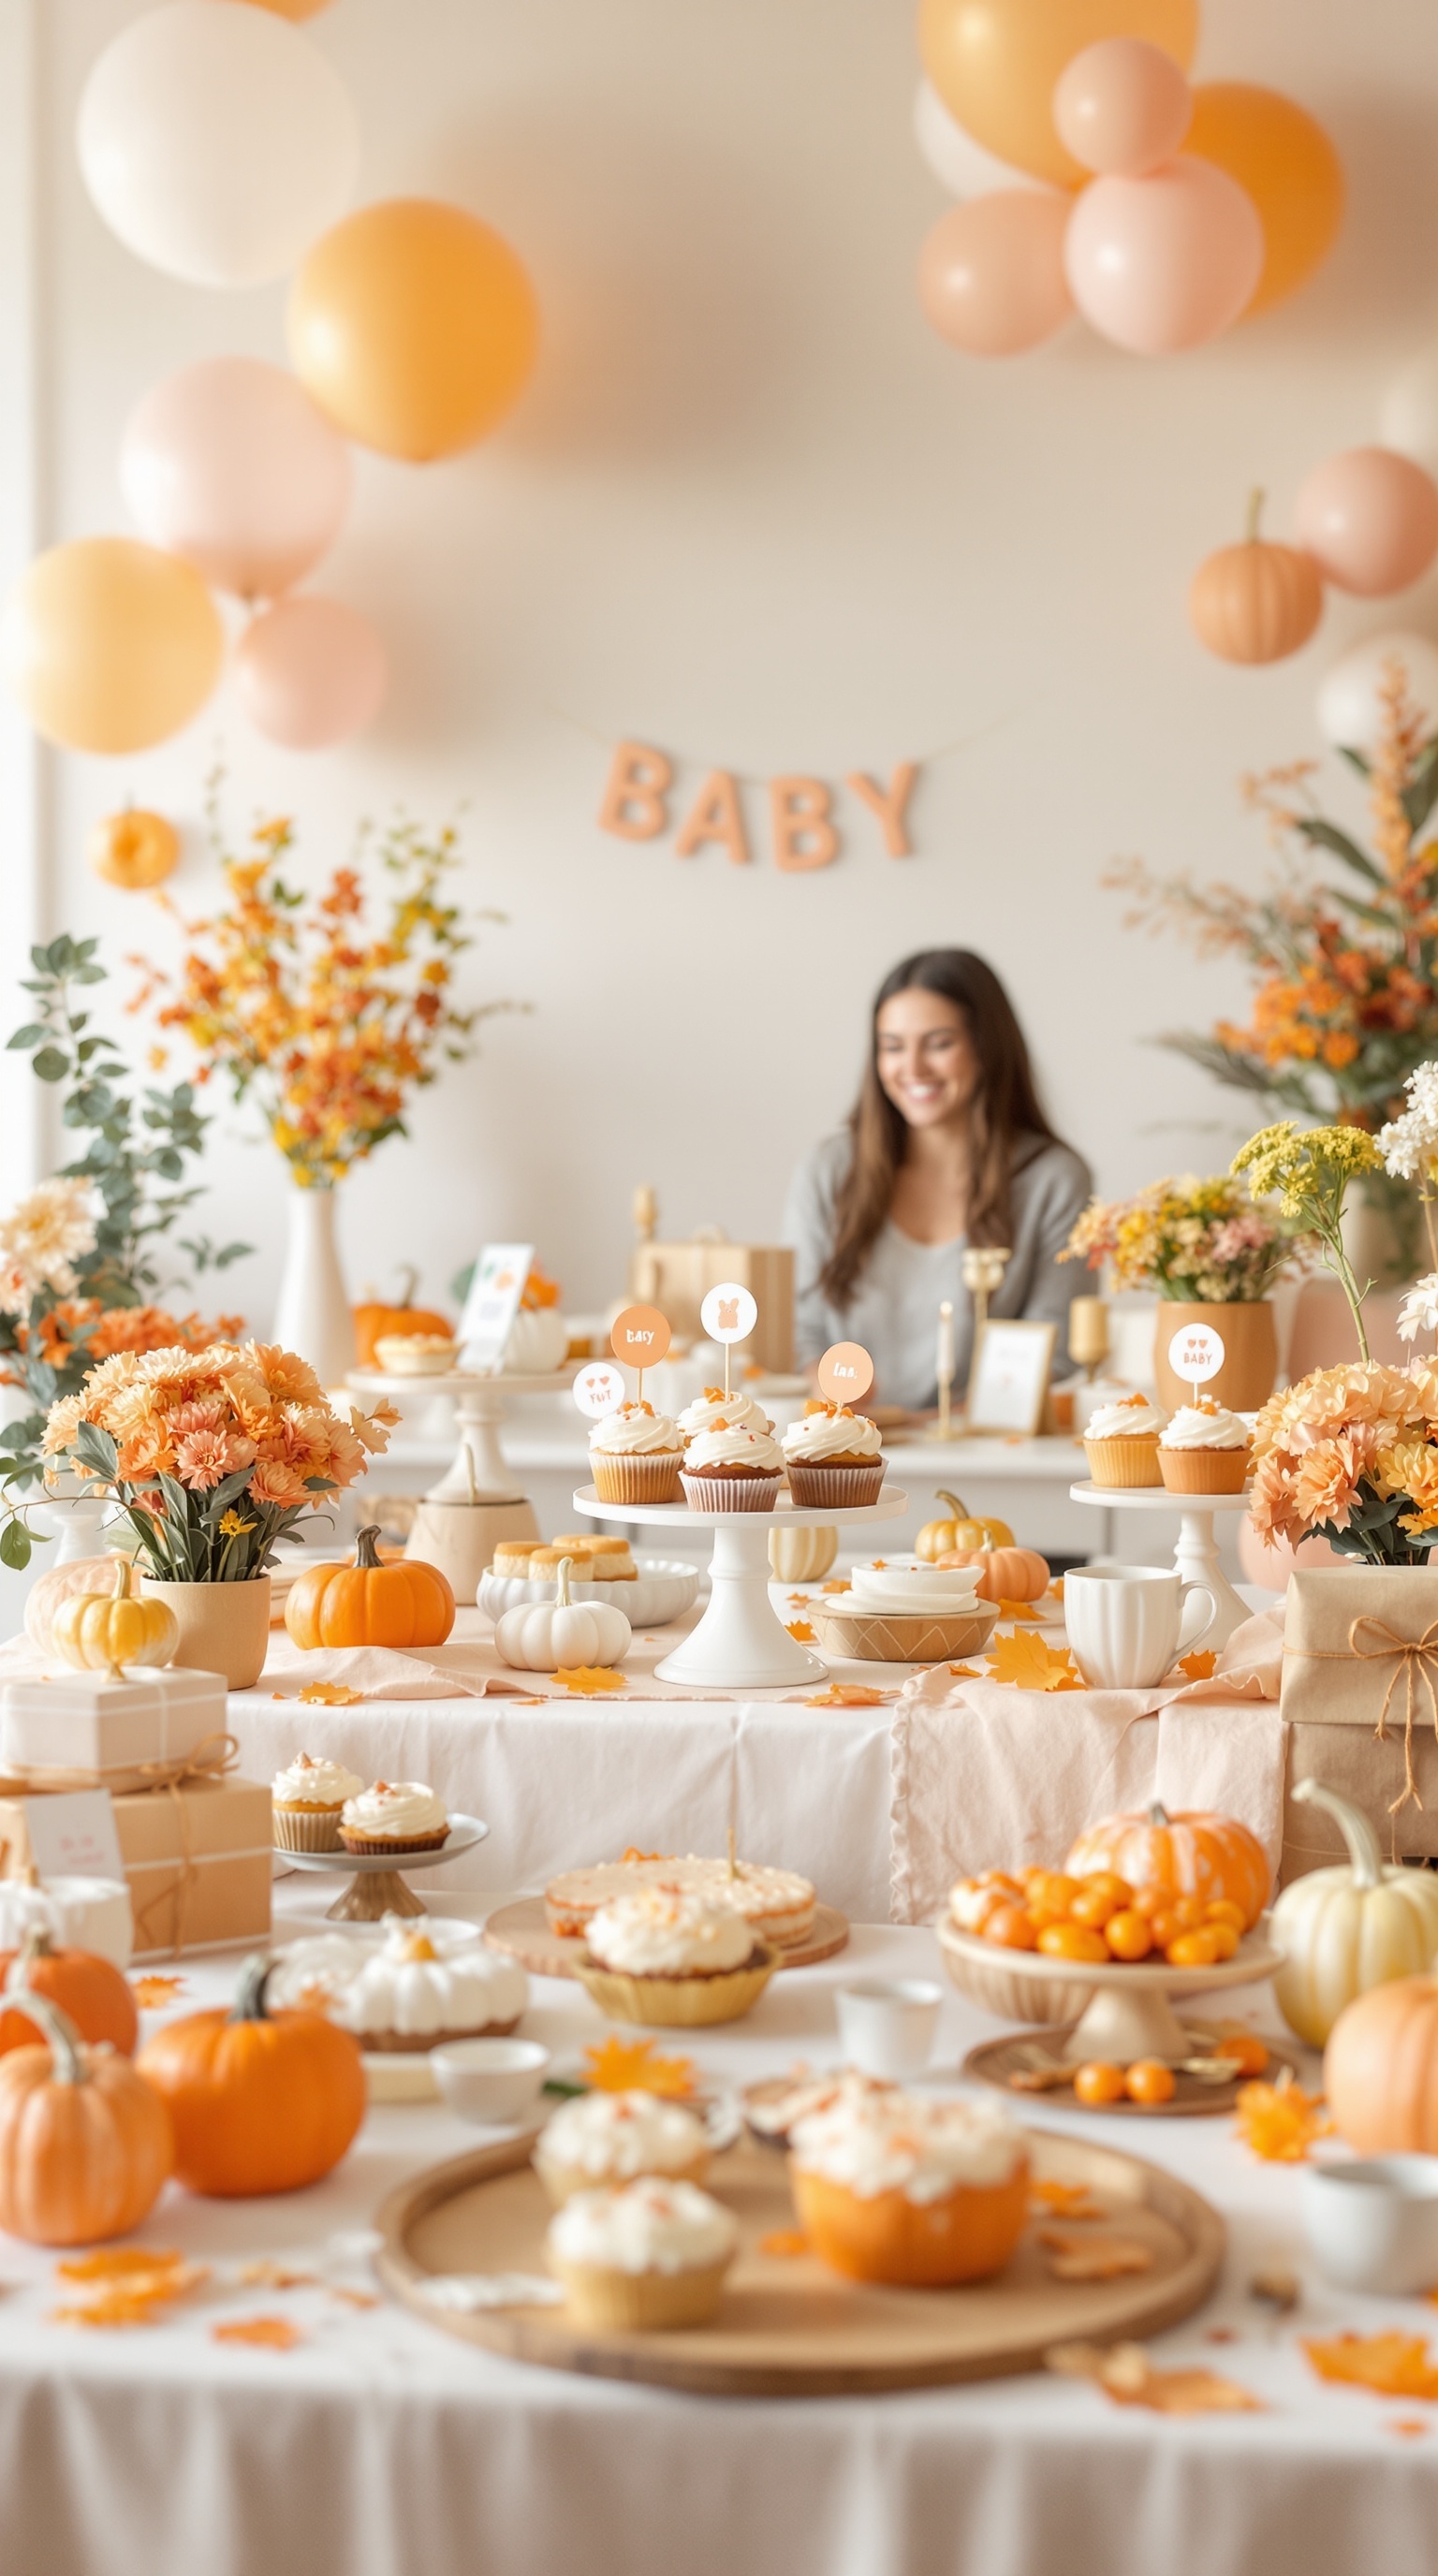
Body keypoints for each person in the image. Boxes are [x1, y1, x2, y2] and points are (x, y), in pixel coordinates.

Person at [783, 948, 1091, 1410]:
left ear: (987, 1047)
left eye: (939, 1043)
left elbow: (1057, 1347)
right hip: (844, 1451)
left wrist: (953, 1427)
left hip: (985, 1456)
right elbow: (801, 1328)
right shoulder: (829, 1170)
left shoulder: (1054, 1180)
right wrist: (827, 1389)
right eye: (892, 1046)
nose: (913, 1068)